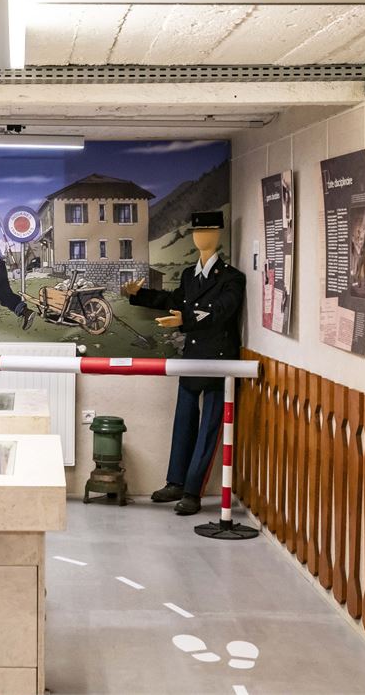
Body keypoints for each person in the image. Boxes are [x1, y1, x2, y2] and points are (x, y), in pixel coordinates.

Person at [121, 211, 244, 516]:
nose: (201, 237)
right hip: (192, 356)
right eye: (197, 232)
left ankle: (192, 491)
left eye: (207, 231)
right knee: (183, 421)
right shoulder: (190, 275)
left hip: (219, 360)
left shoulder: (232, 278)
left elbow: (220, 311)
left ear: (218, 234)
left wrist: (185, 320)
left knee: (209, 429)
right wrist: (138, 295)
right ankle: (176, 482)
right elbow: (173, 300)